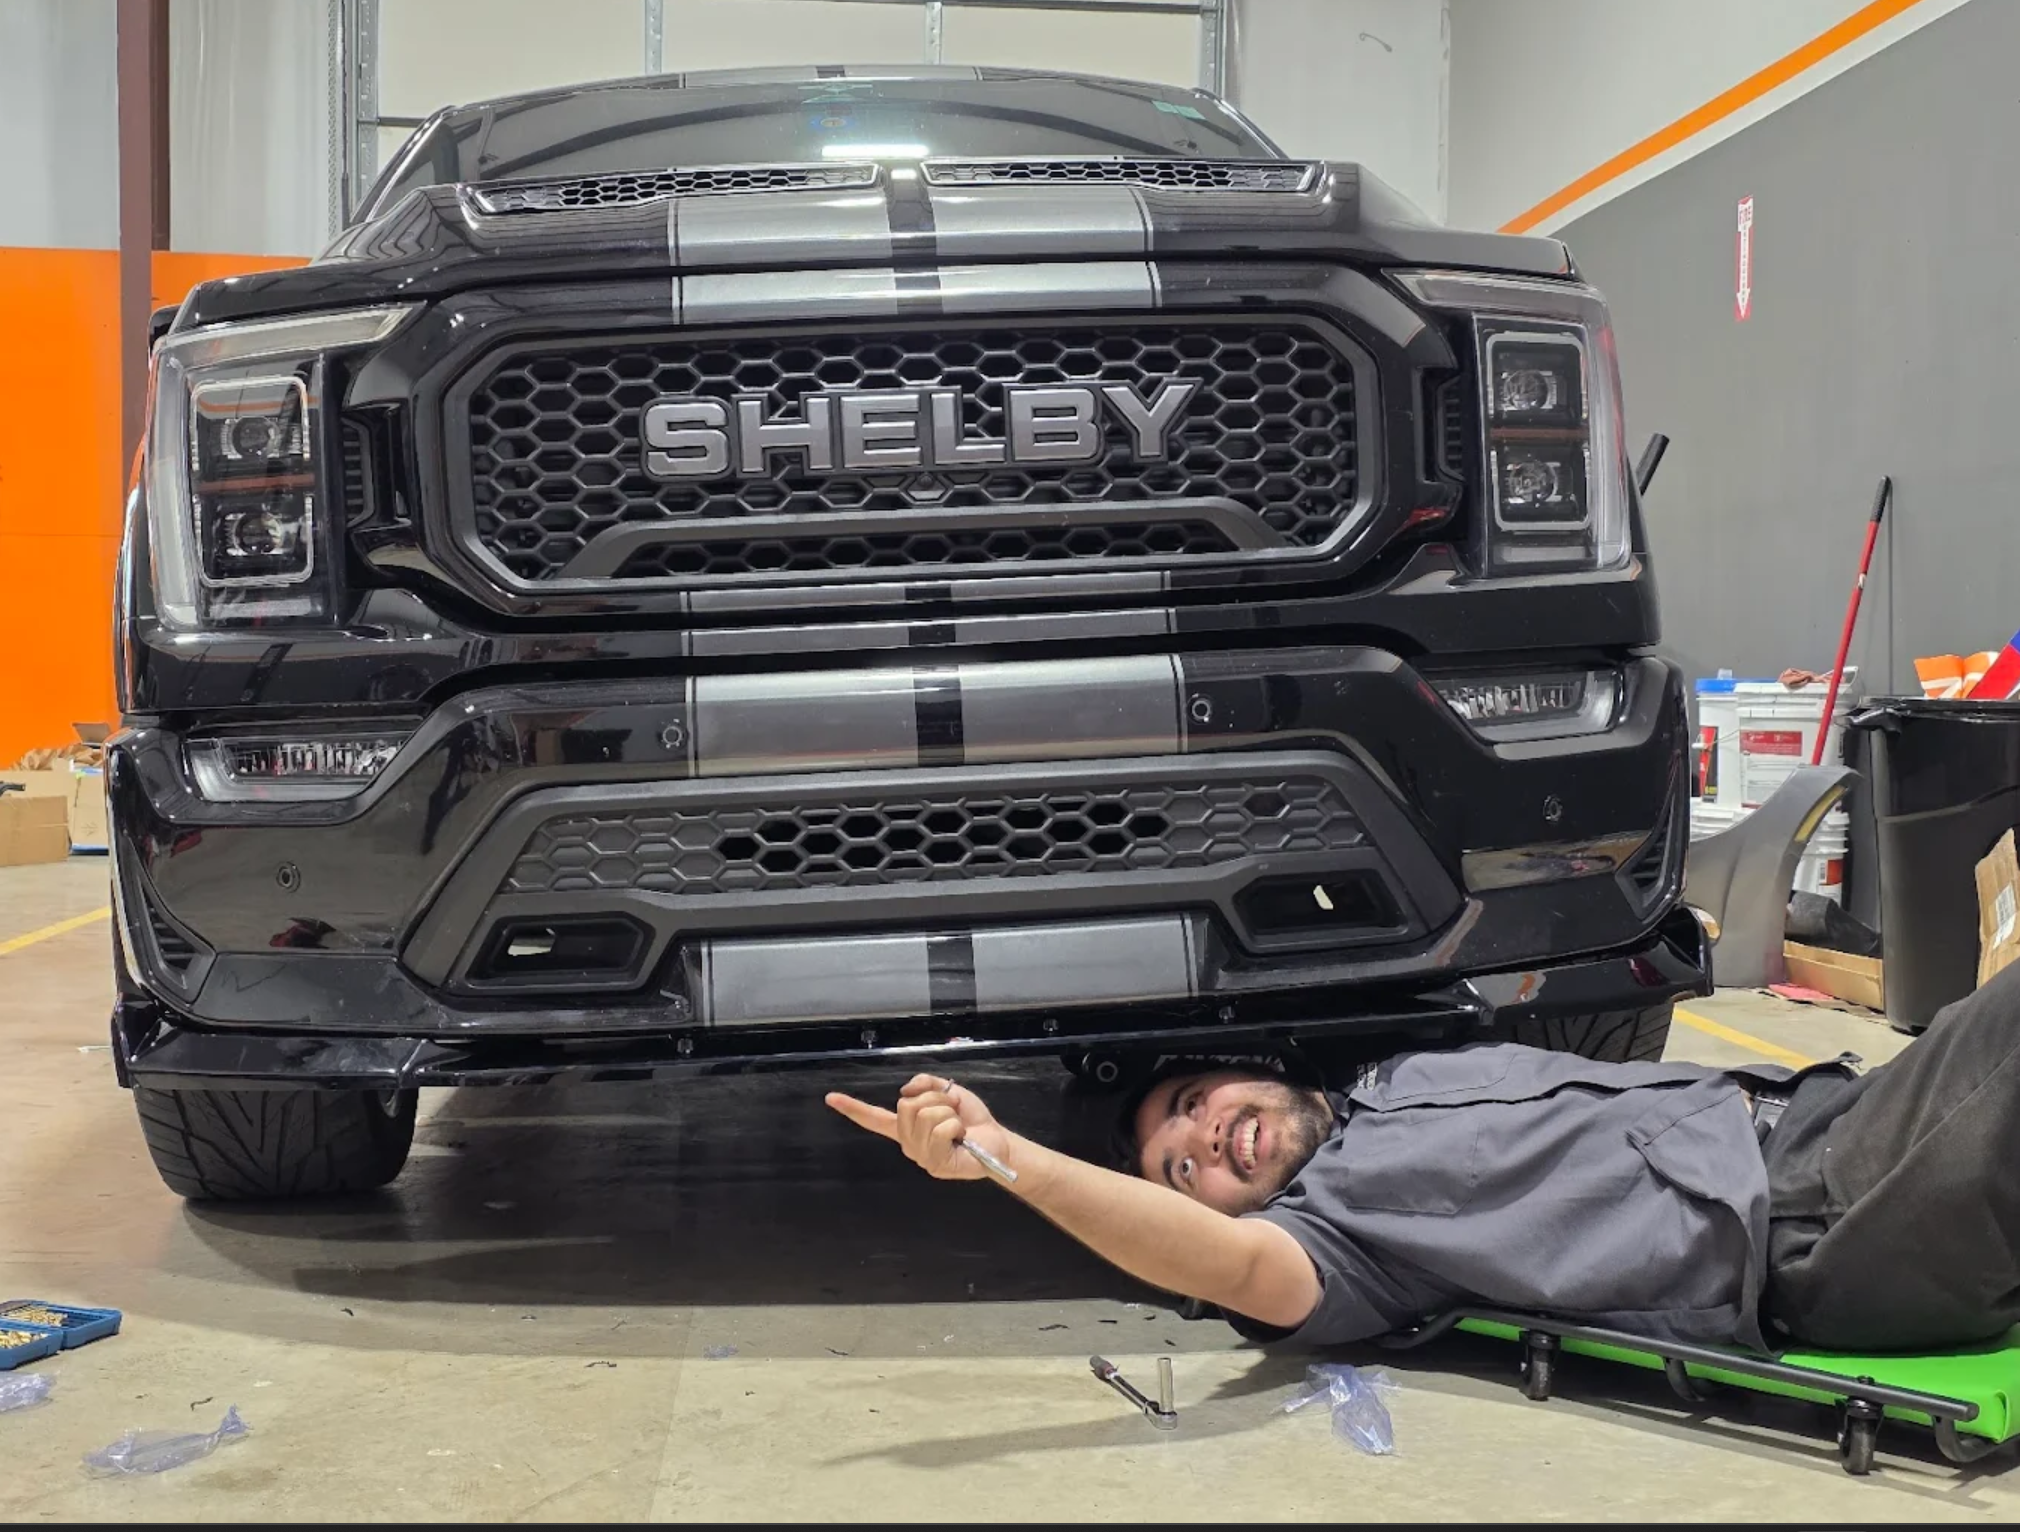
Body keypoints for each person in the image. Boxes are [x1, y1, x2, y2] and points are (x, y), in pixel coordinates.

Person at [827, 961, 2020, 1356]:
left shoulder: (1398, 1075)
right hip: (1814, 1221)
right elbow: (1231, 1268)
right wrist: (1010, 1158)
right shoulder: (1341, 1249)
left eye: (1191, 1103)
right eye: (1183, 1169)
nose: (1205, 1137)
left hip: (1828, 1114)